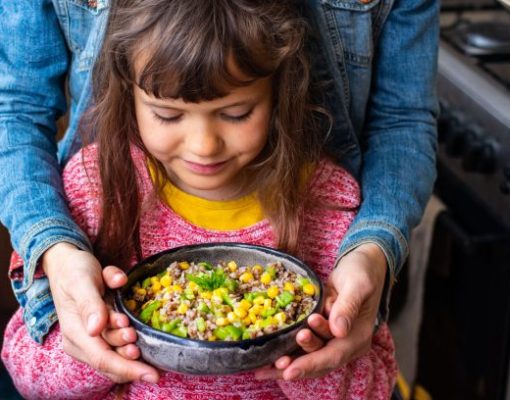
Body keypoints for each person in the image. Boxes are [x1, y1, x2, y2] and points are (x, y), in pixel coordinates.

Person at [0, 0, 438, 390]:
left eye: (235, 113)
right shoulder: (94, 189)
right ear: (128, 97)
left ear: (280, 94)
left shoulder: (332, 201)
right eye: (168, 115)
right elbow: (26, 364)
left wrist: (308, 362)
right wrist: (99, 349)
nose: (203, 145)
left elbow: (375, 380)